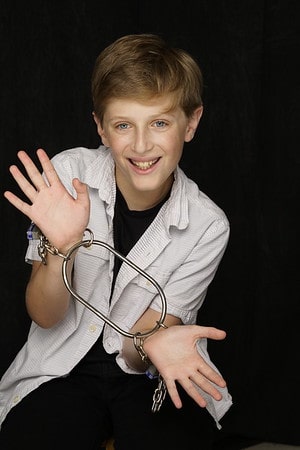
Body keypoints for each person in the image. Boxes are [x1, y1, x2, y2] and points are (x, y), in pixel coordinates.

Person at [0, 33, 232, 449]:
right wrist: (62, 249)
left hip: (144, 373)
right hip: (60, 371)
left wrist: (155, 338)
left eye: (160, 123)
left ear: (191, 123)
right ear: (101, 129)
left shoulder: (208, 224)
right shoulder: (68, 173)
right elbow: (44, 315)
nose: (141, 146)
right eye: (124, 125)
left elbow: (133, 350)